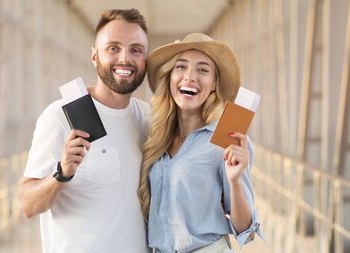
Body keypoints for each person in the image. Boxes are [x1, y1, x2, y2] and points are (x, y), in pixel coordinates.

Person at [18, 9, 151, 253]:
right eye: (113, 48)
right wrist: (63, 172)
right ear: (95, 57)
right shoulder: (59, 116)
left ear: (146, 59)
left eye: (136, 49)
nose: (125, 58)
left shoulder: (148, 118)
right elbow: (27, 205)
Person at [138, 33, 263, 253]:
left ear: (214, 84)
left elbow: (247, 232)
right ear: (169, 77)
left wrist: (234, 182)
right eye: (181, 67)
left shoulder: (226, 139)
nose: (190, 77)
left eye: (203, 70)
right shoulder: (157, 137)